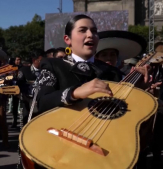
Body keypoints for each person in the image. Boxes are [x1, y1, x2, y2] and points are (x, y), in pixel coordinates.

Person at [35, 14, 151, 168]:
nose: (90, 34)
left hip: (102, 150)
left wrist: (140, 92)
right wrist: (75, 92)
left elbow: (124, 116)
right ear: (67, 39)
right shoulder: (53, 65)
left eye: (94, 31)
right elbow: (43, 102)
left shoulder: (113, 72)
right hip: (60, 148)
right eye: (82, 30)